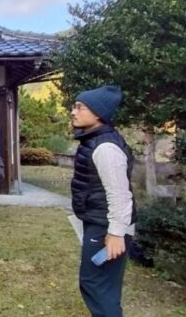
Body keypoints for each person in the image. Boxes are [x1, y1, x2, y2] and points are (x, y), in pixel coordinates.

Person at [70, 86, 135, 317]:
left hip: (106, 227)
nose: (73, 112)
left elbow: (120, 193)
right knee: (103, 287)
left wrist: (116, 233)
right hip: (100, 222)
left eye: (80, 107)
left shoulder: (106, 147)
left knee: (96, 285)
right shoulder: (95, 140)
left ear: (98, 113)